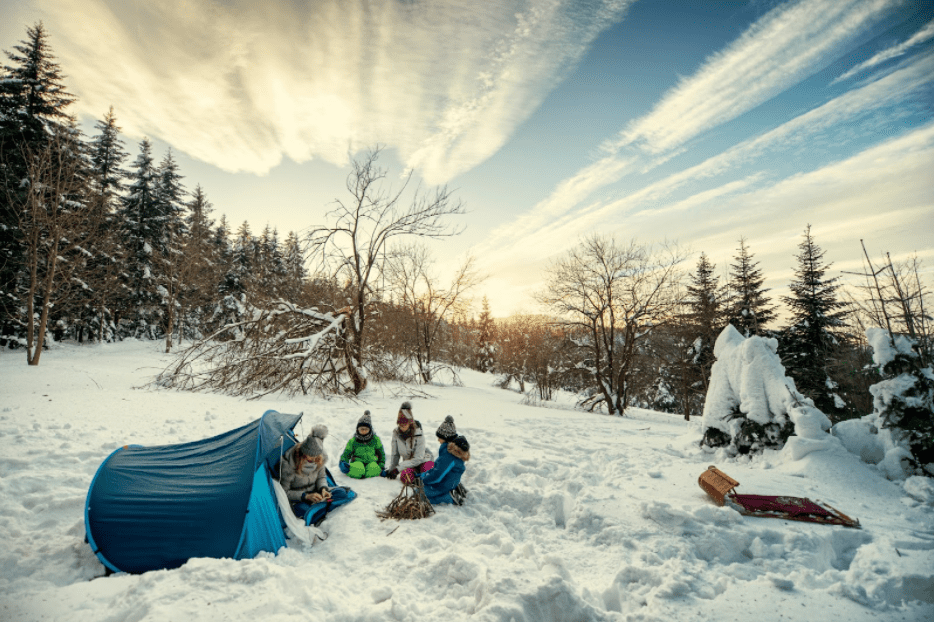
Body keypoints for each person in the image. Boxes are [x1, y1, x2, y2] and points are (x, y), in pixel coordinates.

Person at [279, 424, 332, 510]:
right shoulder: (289, 464)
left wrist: (323, 488)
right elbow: (284, 492)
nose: (315, 459)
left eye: (317, 456)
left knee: (340, 494)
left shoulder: (319, 458)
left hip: (315, 493)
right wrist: (305, 496)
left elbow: (321, 477)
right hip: (299, 499)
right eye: (311, 456)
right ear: (303, 453)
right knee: (304, 509)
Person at [384, 401, 434, 484]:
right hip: (409, 463)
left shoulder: (419, 433)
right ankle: (417, 478)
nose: (402, 428)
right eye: (400, 425)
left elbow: (418, 458)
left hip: (423, 460)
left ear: (410, 423)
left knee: (429, 473)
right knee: (405, 478)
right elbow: (395, 454)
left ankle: (423, 480)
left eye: (404, 425)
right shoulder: (396, 433)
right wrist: (392, 470)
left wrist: (398, 468)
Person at [422, 435, 470, 505]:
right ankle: (452, 492)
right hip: (450, 483)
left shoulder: (450, 457)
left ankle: (449, 498)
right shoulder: (459, 458)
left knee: (421, 495)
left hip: (442, 486)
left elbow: (437, 476)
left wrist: (422, 480)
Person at [339, 410, 385, 479]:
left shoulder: (375, 439)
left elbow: (381, 453)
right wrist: (343, 462)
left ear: (370, 430)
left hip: (371, 461)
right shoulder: (353, 440)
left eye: (366, 429)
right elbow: (346, 453)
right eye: (361, 429)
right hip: (358, 461)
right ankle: (360, 472)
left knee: (374, 469)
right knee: (357, 470)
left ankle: (366, 473)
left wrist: (381, 466)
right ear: (357, 430)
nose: (364, 431)